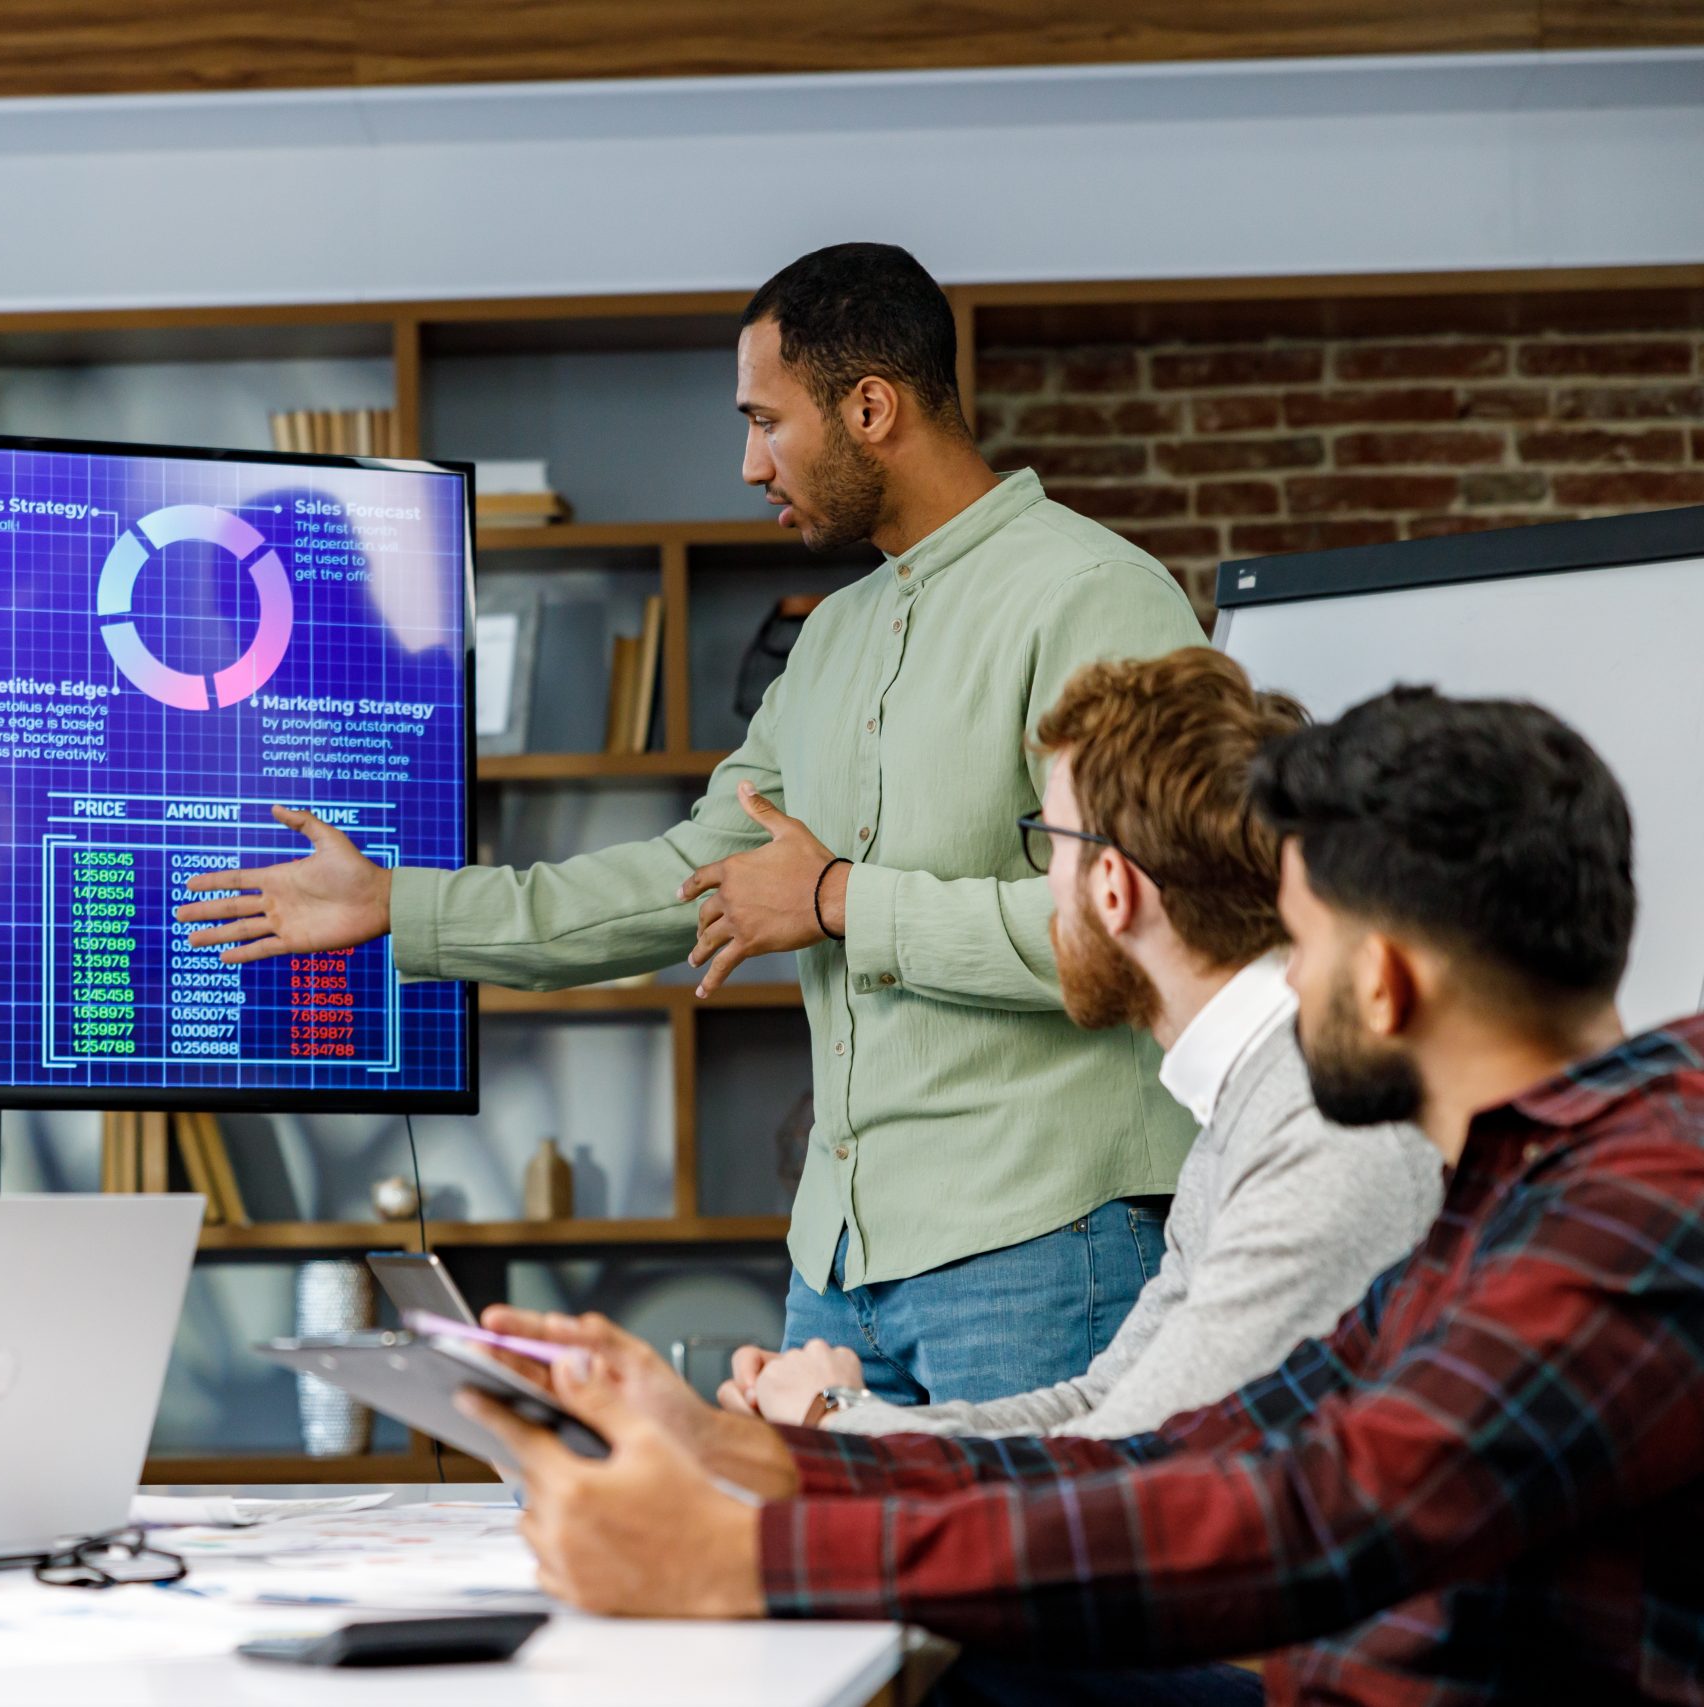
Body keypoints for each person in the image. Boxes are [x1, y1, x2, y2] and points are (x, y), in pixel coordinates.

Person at [460, 688, 1704, 1705]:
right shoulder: (1515, 1186)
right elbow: (1193, 1446)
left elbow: (1307, 1512)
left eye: (1304, 940)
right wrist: (739, 1450)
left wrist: (743, 1556)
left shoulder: (1639, 1202)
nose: (1285, 971)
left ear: (1379, 980)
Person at [179, 242, 1205, 1401]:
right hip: (836, 1273)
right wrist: (393, 906)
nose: (747, 462)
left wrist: (834, 902)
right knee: (813, 1583)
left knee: (1024, 1582)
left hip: (1044, 1247)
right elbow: (679, 879)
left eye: (766, 421)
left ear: (870, 407)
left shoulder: (1092, 593)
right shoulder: (828, 639)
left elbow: (1147, 925)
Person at [726, 648, 1443, 1440]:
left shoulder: (1318, 1127)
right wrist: (838, 1422)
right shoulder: (1252, 1105)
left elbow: (1127, 1459)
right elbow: (1097, 1402)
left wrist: (836, 1414)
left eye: (1048, 845)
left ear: (1114, 887)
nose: (1044, 887)